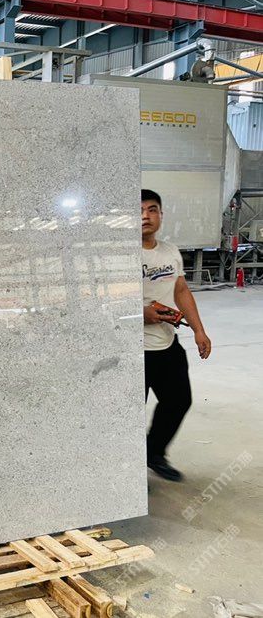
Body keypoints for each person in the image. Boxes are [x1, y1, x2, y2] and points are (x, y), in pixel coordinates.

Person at [141, 189, 211, 482]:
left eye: (152, 209)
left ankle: (153, 453)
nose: (145, 216)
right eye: (139, 210)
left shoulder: (170, 251)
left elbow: (181, 290)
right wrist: (141, 313)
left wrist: (199, 330)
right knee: (125, 416)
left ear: (161, 215)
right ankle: (127, 478)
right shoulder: (118, 254)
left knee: (178, 401)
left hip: (167, 343)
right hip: (132, 351)